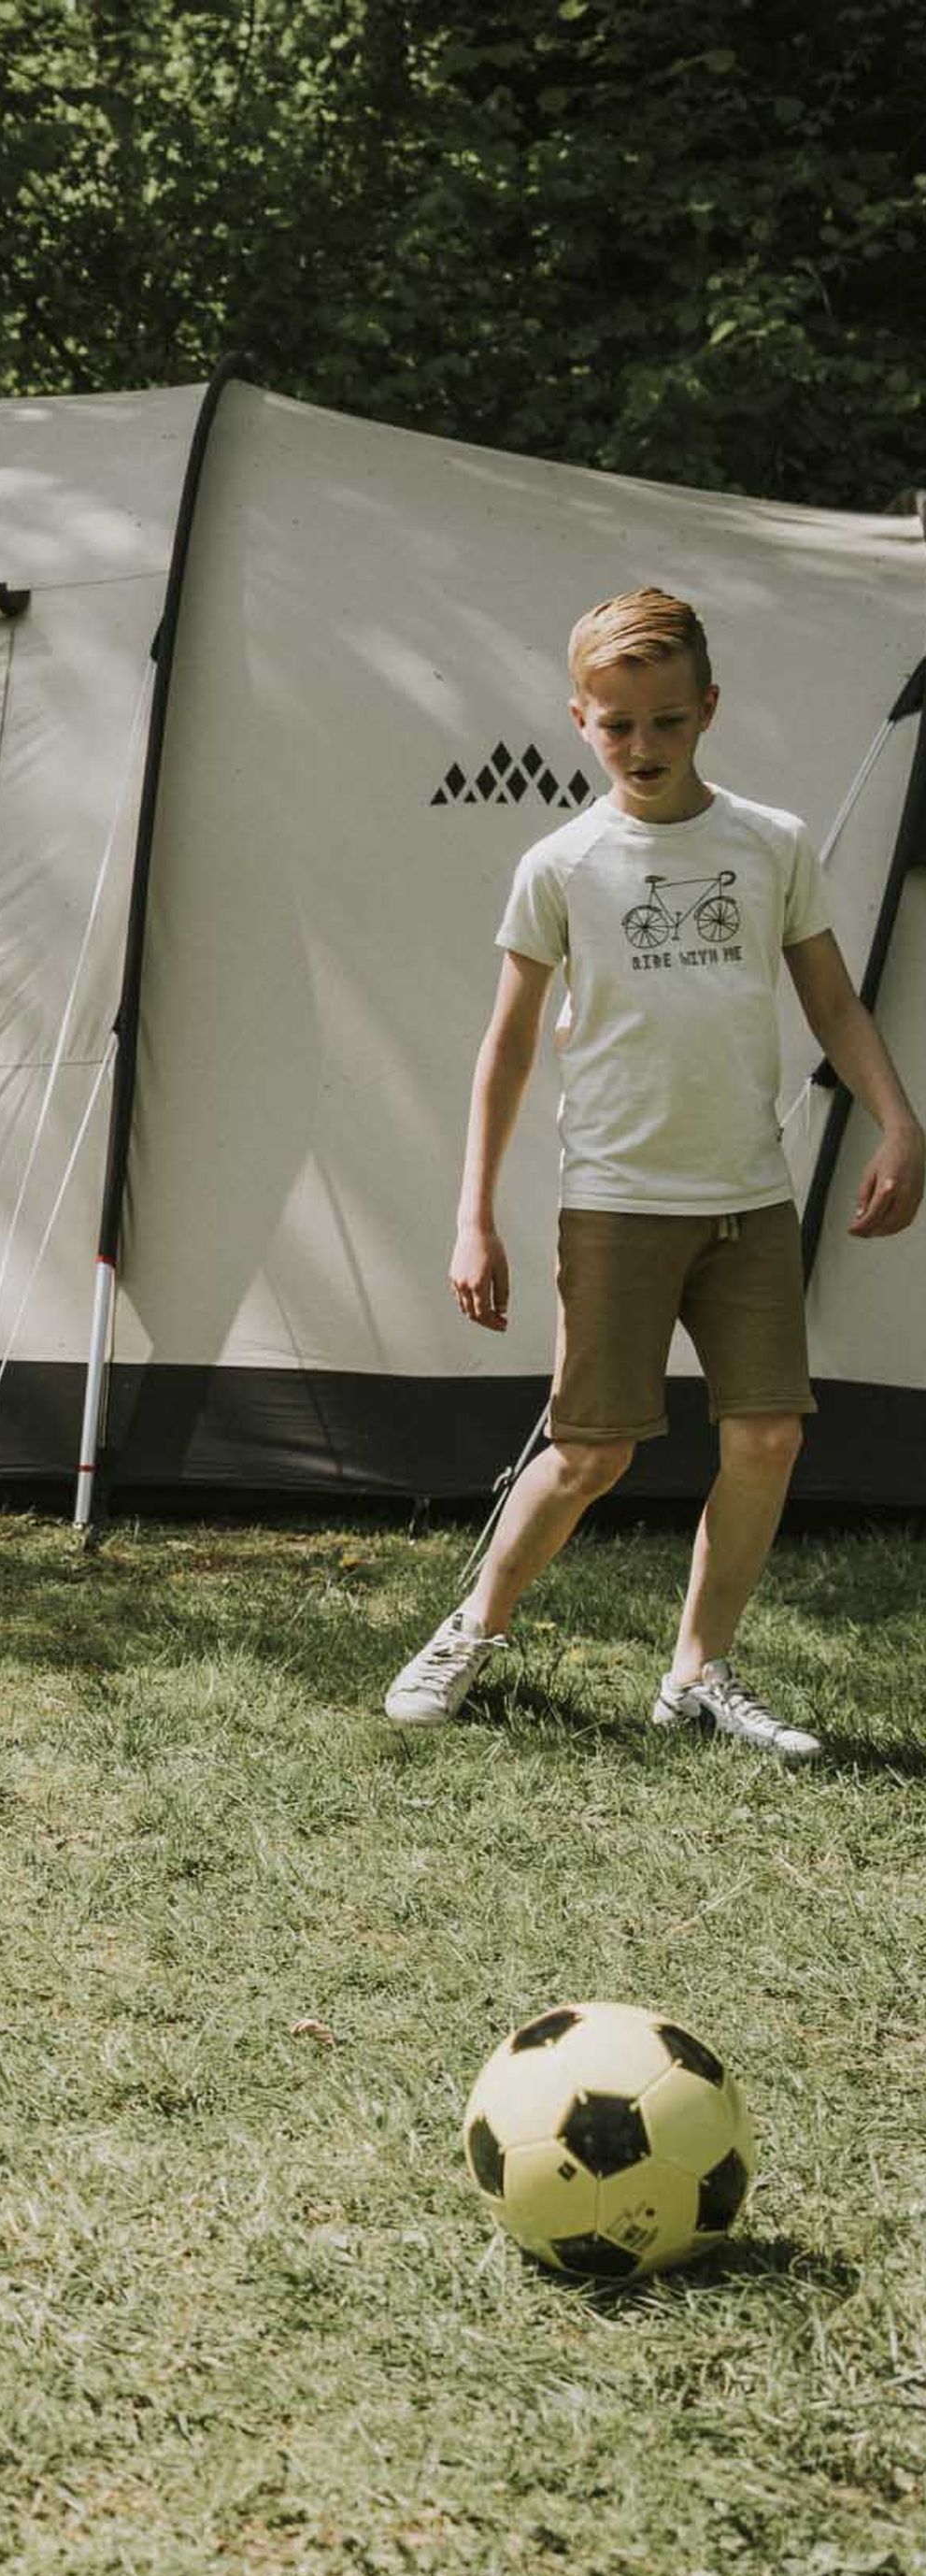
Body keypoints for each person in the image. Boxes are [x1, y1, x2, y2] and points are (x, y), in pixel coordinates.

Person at [385, 587, 921, 1751]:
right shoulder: (561, 864)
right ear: (580, 719)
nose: (643, 747)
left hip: (749, 1201)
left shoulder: (770, 844)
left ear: (709, 711)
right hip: (618, 1205)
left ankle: (698, 1675)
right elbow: (509, 1048)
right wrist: (472, 1217)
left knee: (768, 1436)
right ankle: (473, 1628)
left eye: (668, 722)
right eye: (618, 724)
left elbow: (831, 999)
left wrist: (900, 1123)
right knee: (592, 1449)